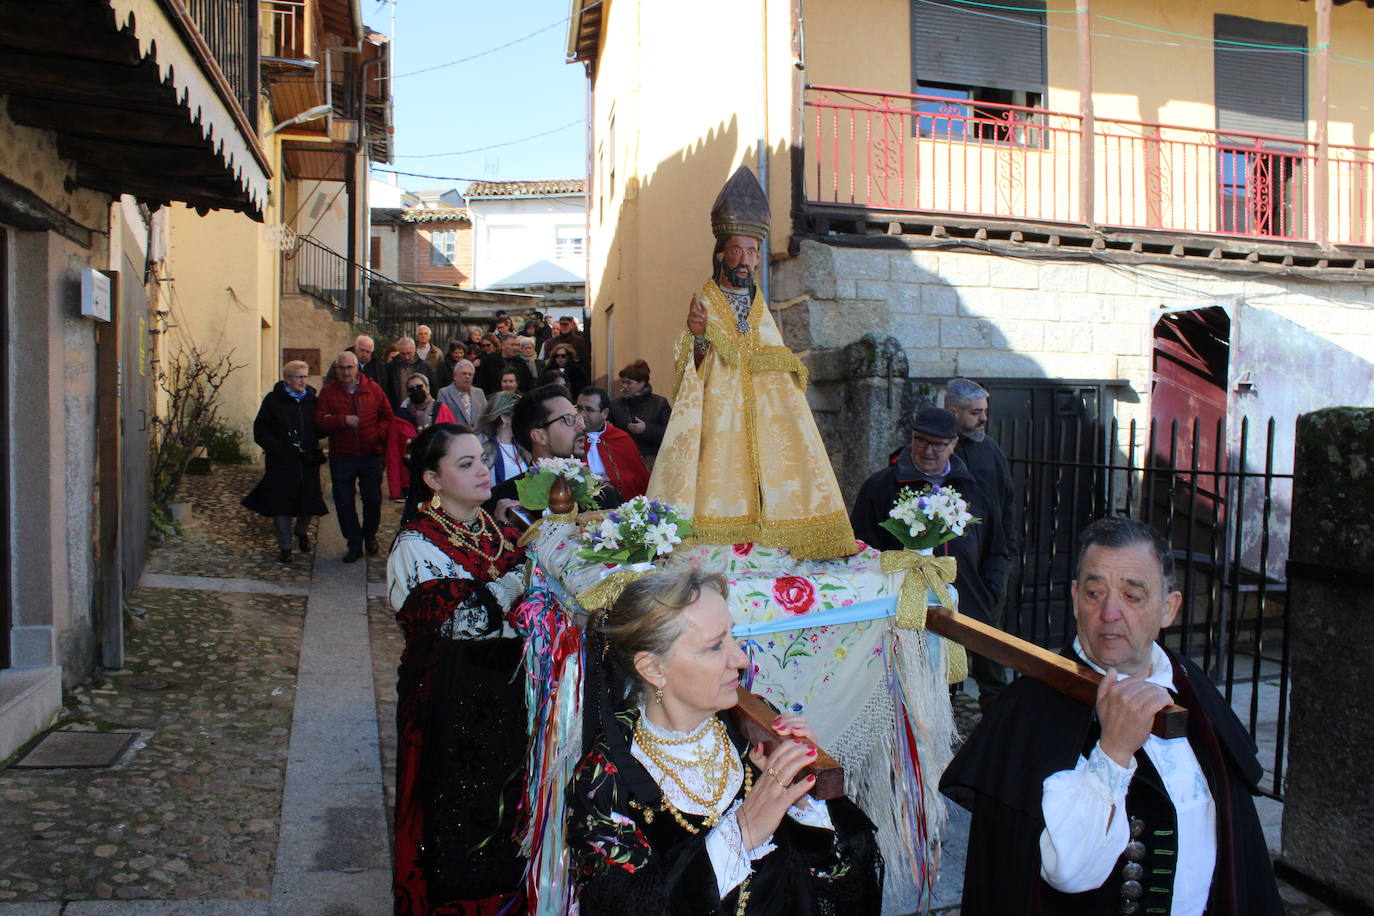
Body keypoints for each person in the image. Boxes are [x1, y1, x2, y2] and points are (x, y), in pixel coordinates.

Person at [940, 517, 1283, 915]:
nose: (1109, 613)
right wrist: (1114, 752)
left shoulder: (1194, 687)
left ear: (1168, 608)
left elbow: (1241, 858)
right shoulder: (1027, 709)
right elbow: (1068, 874)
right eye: (1094, 592)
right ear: (1074, 598)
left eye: (1133, 596)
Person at [568, 568, 884, 913]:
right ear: (654, 669)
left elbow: (841, 881)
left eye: (732, 636)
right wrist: (741, 831)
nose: (741, 660)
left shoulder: (755, 730)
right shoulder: (606, 779)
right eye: (715, 646)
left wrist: (803, 799)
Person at [652, 165, 855, 559]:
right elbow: (687, 376)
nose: (746, 260)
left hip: (766, 424)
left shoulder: (761, 307)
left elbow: (775, 364)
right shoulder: (705, 304)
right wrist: (698, 336)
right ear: (720, 254)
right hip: (717, 425)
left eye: (752, 252)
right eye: (738, 251)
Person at [387, 424, 530, 914]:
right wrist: (520, 582)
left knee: (503, 814)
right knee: (456, 821)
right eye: (464, 464)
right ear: (432, 478)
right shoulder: (416, 544)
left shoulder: (496, 529)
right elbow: (462, 623)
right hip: (449, 707)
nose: (483, 469)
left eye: (483, 459)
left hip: (501, 699)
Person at [850, 407, 1009, 710]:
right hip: (899, 613)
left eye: (938, 443)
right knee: (902, 700)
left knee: (947, 694)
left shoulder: (975, 490)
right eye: (921, 440)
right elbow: (861, 550)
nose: (928, 450)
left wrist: (990, 592)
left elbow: (997, 547)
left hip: (962, 607)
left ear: (954, 445)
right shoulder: (881, 487)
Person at [484, 382, 621, 514]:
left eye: (577, 417)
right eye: (568, 419)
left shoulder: (604, 497)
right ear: (539, 436)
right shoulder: (503, 504)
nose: (582, 427)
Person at [241, 360, 328, 564]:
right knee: (281, 506)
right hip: (282, 462)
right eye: (299, 377)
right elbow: (261, 431)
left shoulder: (312, 401)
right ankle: (285, 547)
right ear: (287, 379)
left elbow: (319, 426)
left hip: (307, 460)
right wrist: (278, 449)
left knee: (308, 503)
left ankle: (301, 531)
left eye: (306, 376)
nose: (303, 381)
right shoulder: (273, 401)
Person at [316, 351, 392, 562]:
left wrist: (377, 435)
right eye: (342, 368)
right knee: (344, 501)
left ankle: (370, 534)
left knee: (372, 499)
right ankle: (354, 542)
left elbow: (387, 416)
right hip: (342, 455)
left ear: (357, 368)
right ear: (336, 369)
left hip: (371, 454)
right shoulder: (328, 392)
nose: (346, 372)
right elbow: (320, 422)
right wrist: (343, 420)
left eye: (350, 367)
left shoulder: (373, 389)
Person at [945, 378, 1017, 587]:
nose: (984, 419)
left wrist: (1008, 553)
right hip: (952, 560)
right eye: (975, 413)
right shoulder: (938, 453)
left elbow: (1008, 501)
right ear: (953, 412)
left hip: (992, 561)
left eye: (984, 411)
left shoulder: (991, 450)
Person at [386, 373, 457, 501]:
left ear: (428, 388)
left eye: (419, 387)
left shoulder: (442, 410)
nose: (416, 391)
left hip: (441, 477)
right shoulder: (400, 417)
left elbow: (455, 444)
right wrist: (395, 491)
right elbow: (393, 454)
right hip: (411, 481)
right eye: (411, 389)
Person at [576, 387, 649, 500]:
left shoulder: (621, 439)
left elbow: (639, 481)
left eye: (589, 410)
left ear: (604, 413)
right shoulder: (570, 438)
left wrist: (611, 482)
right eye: (579, 408)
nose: (582, 414)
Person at [608, 360, 672, 467]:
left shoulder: (659, 403)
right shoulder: (615, 405)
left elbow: (670, 434)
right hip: (622, 460)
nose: (624, 386)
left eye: (629, 383)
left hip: (651, 461)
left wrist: (646, 429)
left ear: (642, 382)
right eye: (623, 382)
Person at [475, 392, 529, 485]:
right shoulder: (482, 447)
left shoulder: (523, 447)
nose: (525, 420)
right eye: (521, 416)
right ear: (505, 418)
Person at [384, 336, 437, 410]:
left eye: (409, 353)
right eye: (403, 354)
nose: (406, 357)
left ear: (415, 350)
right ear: (398, 351)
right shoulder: (389, 368)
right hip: (397, 410)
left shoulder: (426, 367)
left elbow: (433, 390)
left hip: (422, 409)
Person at [436, 359, 486, 428]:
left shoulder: (479, 393)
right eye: (464, 373)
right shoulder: (444, 393)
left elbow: (486, 417)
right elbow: (442, 420)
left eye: (470, 374)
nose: (467, 377)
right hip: (454, 436)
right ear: (455, 376)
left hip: (477, 436)